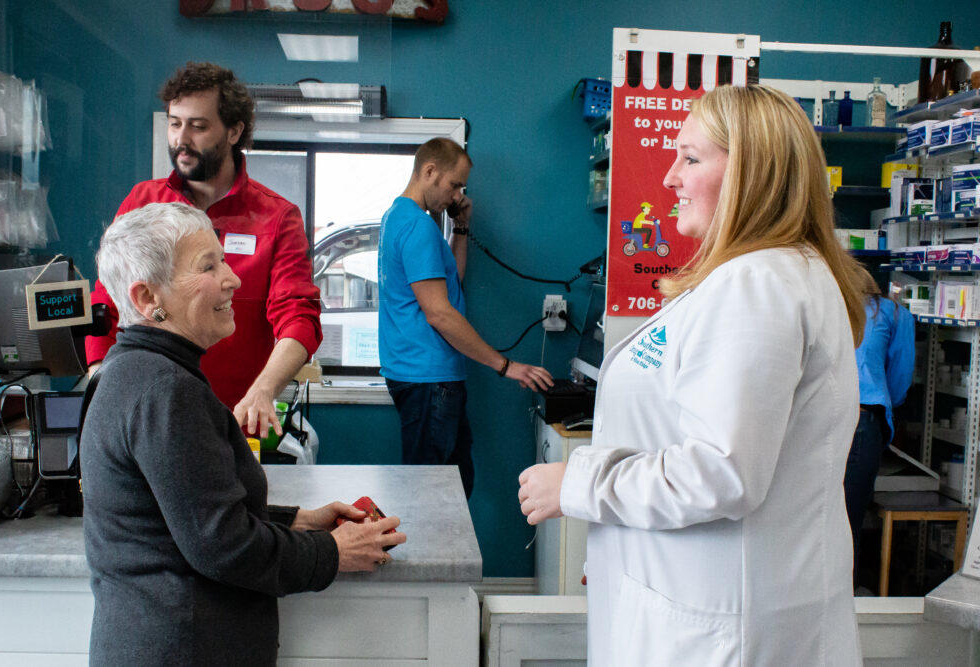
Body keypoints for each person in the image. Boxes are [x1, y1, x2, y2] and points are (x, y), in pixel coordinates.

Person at [518, 84, 870, 665]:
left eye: (691, 157)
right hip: (713, 597)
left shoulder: (754, 286)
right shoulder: (770, 276)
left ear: (752, 173)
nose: (669, 178)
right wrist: (621, 545)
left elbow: (721, 472)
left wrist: (578, 485)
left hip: (721, 628)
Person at [81, 202, 406, 666]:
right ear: (148, 297)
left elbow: (184, 510)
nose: (233, 279)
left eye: (224, 260)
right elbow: (225, 548)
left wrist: (296, 521)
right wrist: (333, 552)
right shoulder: (166, 390)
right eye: (208, 266)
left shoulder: (132, 372)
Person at [86, 61, 320, 440]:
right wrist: (99, 378)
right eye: (175, 123)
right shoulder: (143, 202)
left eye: (198, 126)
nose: (182, 138)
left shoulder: (277, 217)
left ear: (234, 131)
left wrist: (263, 392)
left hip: (233, 422)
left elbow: (298, 316)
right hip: (147, 416)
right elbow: (106, 301)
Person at [378, 137, 552, 499]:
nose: (457, 196)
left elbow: (451, 283)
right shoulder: (418, 227)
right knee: (436, 496)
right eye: (454, 184)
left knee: (453, 486)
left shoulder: (400, 218)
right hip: (429, 378)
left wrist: (461, 228)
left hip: (424, 374)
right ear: (429, 171)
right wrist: (506, 366)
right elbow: (440, 313)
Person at [844, 276, 915, 577]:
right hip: (862, 419)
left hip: (811, 423)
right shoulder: (893, 313)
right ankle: (848, 609)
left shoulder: (824, 304)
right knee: (848, 524)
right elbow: (899, 383)